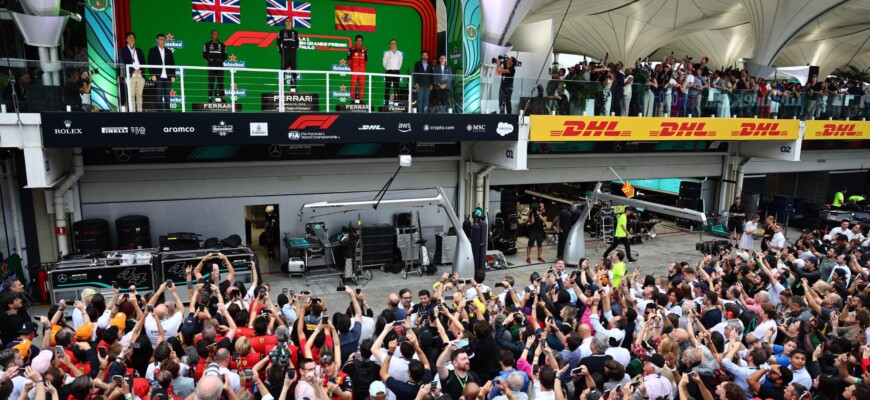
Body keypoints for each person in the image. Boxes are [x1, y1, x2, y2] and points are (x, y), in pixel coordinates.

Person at [147, 33, 176, 112]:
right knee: (158, 96)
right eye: (161, 39)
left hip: (168, 77)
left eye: (164, 39)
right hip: (158, 77)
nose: (163, 41)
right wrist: (152, 74)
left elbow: (172, 64)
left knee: (167, 96)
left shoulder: (169, 51)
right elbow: (150, 63)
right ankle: (159, 114)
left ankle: (168, 114)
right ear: (157, 40)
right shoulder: (152, 50)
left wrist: (173, 75)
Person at [118, 32, 146, 112]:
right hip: (130, 75)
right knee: (131, 95)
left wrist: (141, 70)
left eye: (133, 37)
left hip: (140, 75)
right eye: (130, 37)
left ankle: (140, 111)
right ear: (126, 39)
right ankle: (132, 112)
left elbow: (143, 62)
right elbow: (123, 62)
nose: (132, 39)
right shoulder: (123, 50)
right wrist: (133, 70)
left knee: (139, 95)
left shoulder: (139, 50)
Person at [202, 30, 227, 102]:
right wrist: (211, 62)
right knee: (211, 82)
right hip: (211, 66)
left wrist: (219, 62)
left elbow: (225, 56)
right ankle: (210, 98)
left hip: (220, 66)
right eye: (214, 34)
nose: (216, 36)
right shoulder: (207, 44)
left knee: (221, 82)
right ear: (211, 35)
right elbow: (204, 56)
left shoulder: (222, 45)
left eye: (217, 34)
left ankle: (223, 98)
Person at [276, 18, 300, 91]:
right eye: (287, 21)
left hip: (293, 55)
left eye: (290, 21)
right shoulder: (281, 32)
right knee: (283, 71)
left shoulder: (295, 32)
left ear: (292, 23)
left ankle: (293, 89)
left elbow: (297, 44)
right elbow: (278, 44)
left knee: (294, 71)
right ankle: (282, 89)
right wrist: (282, 52)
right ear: (285, 23)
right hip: (285, 55)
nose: (288, 22)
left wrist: (294, 51)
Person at [347, 35, 368, 103]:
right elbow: (349, 60)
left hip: (362, 70)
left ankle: (361, 100)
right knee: (353, 84)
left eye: (360, 40)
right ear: (355, 41)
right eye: (358, 40)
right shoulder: (351, 49)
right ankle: (352, 100)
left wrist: (362, 67)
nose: (359, 42)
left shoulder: (365, 50)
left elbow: (366, 61)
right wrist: (353, 67)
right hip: (355, 69)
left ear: (362, 41)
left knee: (362, 85)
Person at [382, 39, 403, 106]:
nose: (393, 45)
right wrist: (389, 69)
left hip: (397, 71)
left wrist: (396, 69)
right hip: (389, 71)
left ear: (396, 44)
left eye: (394, 43)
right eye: (392, 43)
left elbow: (400, 63)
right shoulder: (387, 53)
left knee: (396, 88)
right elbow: (384, 64)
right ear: (389, 45)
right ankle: (386, 103)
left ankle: (396, 102)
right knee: (387, 88)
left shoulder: (399, 53)